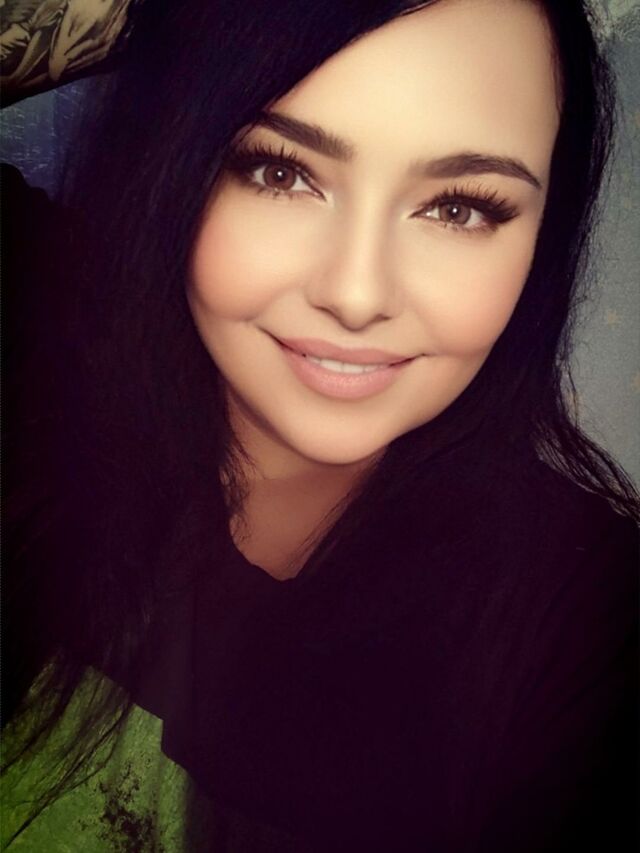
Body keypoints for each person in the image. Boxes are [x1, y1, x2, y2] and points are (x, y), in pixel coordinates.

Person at [1, 0, 638, 850]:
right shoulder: (35, 349)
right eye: (280, 172)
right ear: (175, 158)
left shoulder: (588, 624)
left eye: (459, 208)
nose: (356, 293)